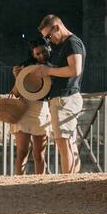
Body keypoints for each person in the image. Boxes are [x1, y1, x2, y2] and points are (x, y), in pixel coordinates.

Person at [39, 15, 86, 174]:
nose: (48, 40)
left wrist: (49, 71)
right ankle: (72, 181)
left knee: (63, 142)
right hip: (63, 98)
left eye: (48, 36)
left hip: (65, 98)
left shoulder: (72, 43)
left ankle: (66, 182)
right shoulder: (63, 45)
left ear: (57, 27)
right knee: (69, 143)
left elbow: (75, 70)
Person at [9, 40, 52, 174]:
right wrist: (17, 78)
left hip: (41, 109)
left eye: (43, 52)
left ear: (49, 49)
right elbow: (15, 93)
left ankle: (40, 182)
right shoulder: (25, 66)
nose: (41, 56)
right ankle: (19, 182)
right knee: (22, 151)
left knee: (39, 153)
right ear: (33, 54)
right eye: (37, 53)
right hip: (24, 108)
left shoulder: (54, 67)